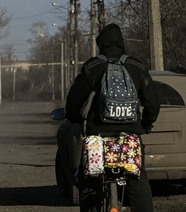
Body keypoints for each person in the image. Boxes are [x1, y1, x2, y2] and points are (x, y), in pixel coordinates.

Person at [65, 23, 160, 212]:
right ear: (122, 43)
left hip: (98, 137)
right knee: (138, 180)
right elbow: (152, 104)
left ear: (101, 43)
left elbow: (75, 99)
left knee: (90, 180)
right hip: (130, 136)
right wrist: (145, 125)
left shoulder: (93, 65)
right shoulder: (136, 66)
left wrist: (74, 116)